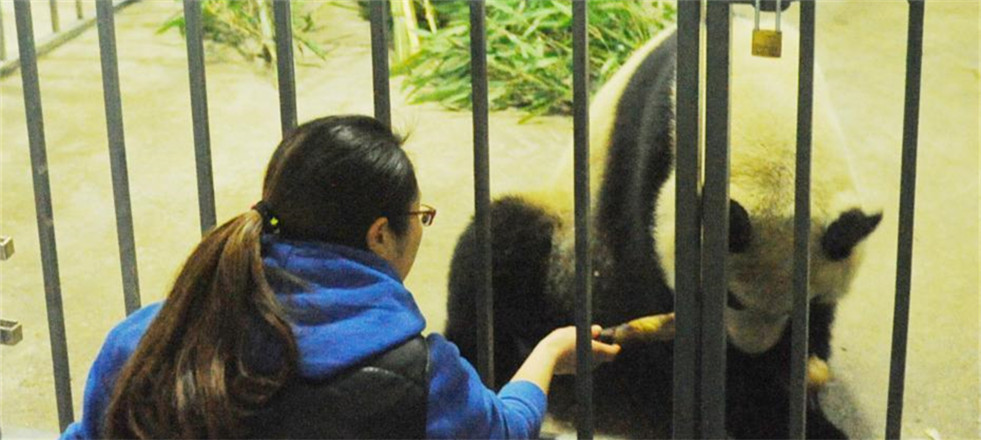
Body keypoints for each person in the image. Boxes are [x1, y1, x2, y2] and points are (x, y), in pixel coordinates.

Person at [60, 115, 620, 439]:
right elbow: (503, 429)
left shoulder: (149, 339)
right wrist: (548, 356)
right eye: (419, 217)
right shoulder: (419, 376)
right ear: (380, 234)